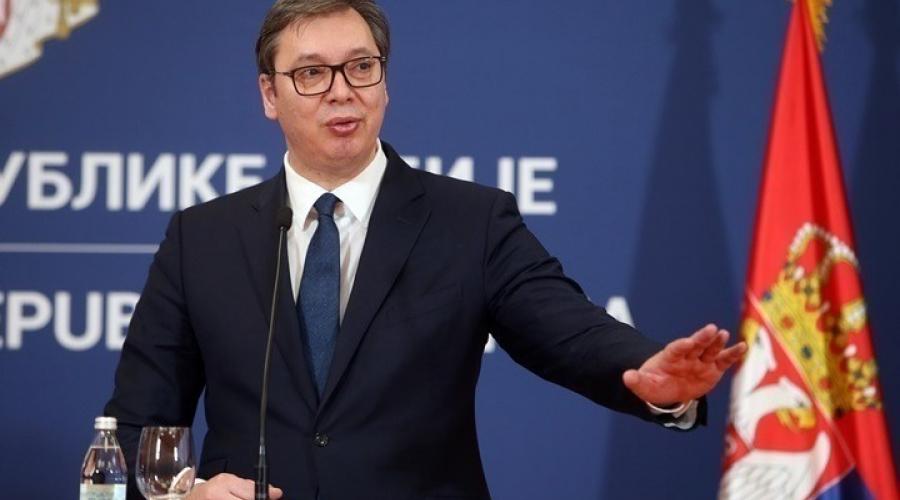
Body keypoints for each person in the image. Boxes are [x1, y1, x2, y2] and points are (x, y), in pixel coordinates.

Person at [105, 1, 747, 499]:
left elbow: (568, 329)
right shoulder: (203, 238)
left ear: (384, 83)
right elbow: (134, 426)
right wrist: (184, 492)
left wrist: (651, 374)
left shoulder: (471, 221)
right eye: (311, 73)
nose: (341, 91)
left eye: (361, 67)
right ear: (269, 95)